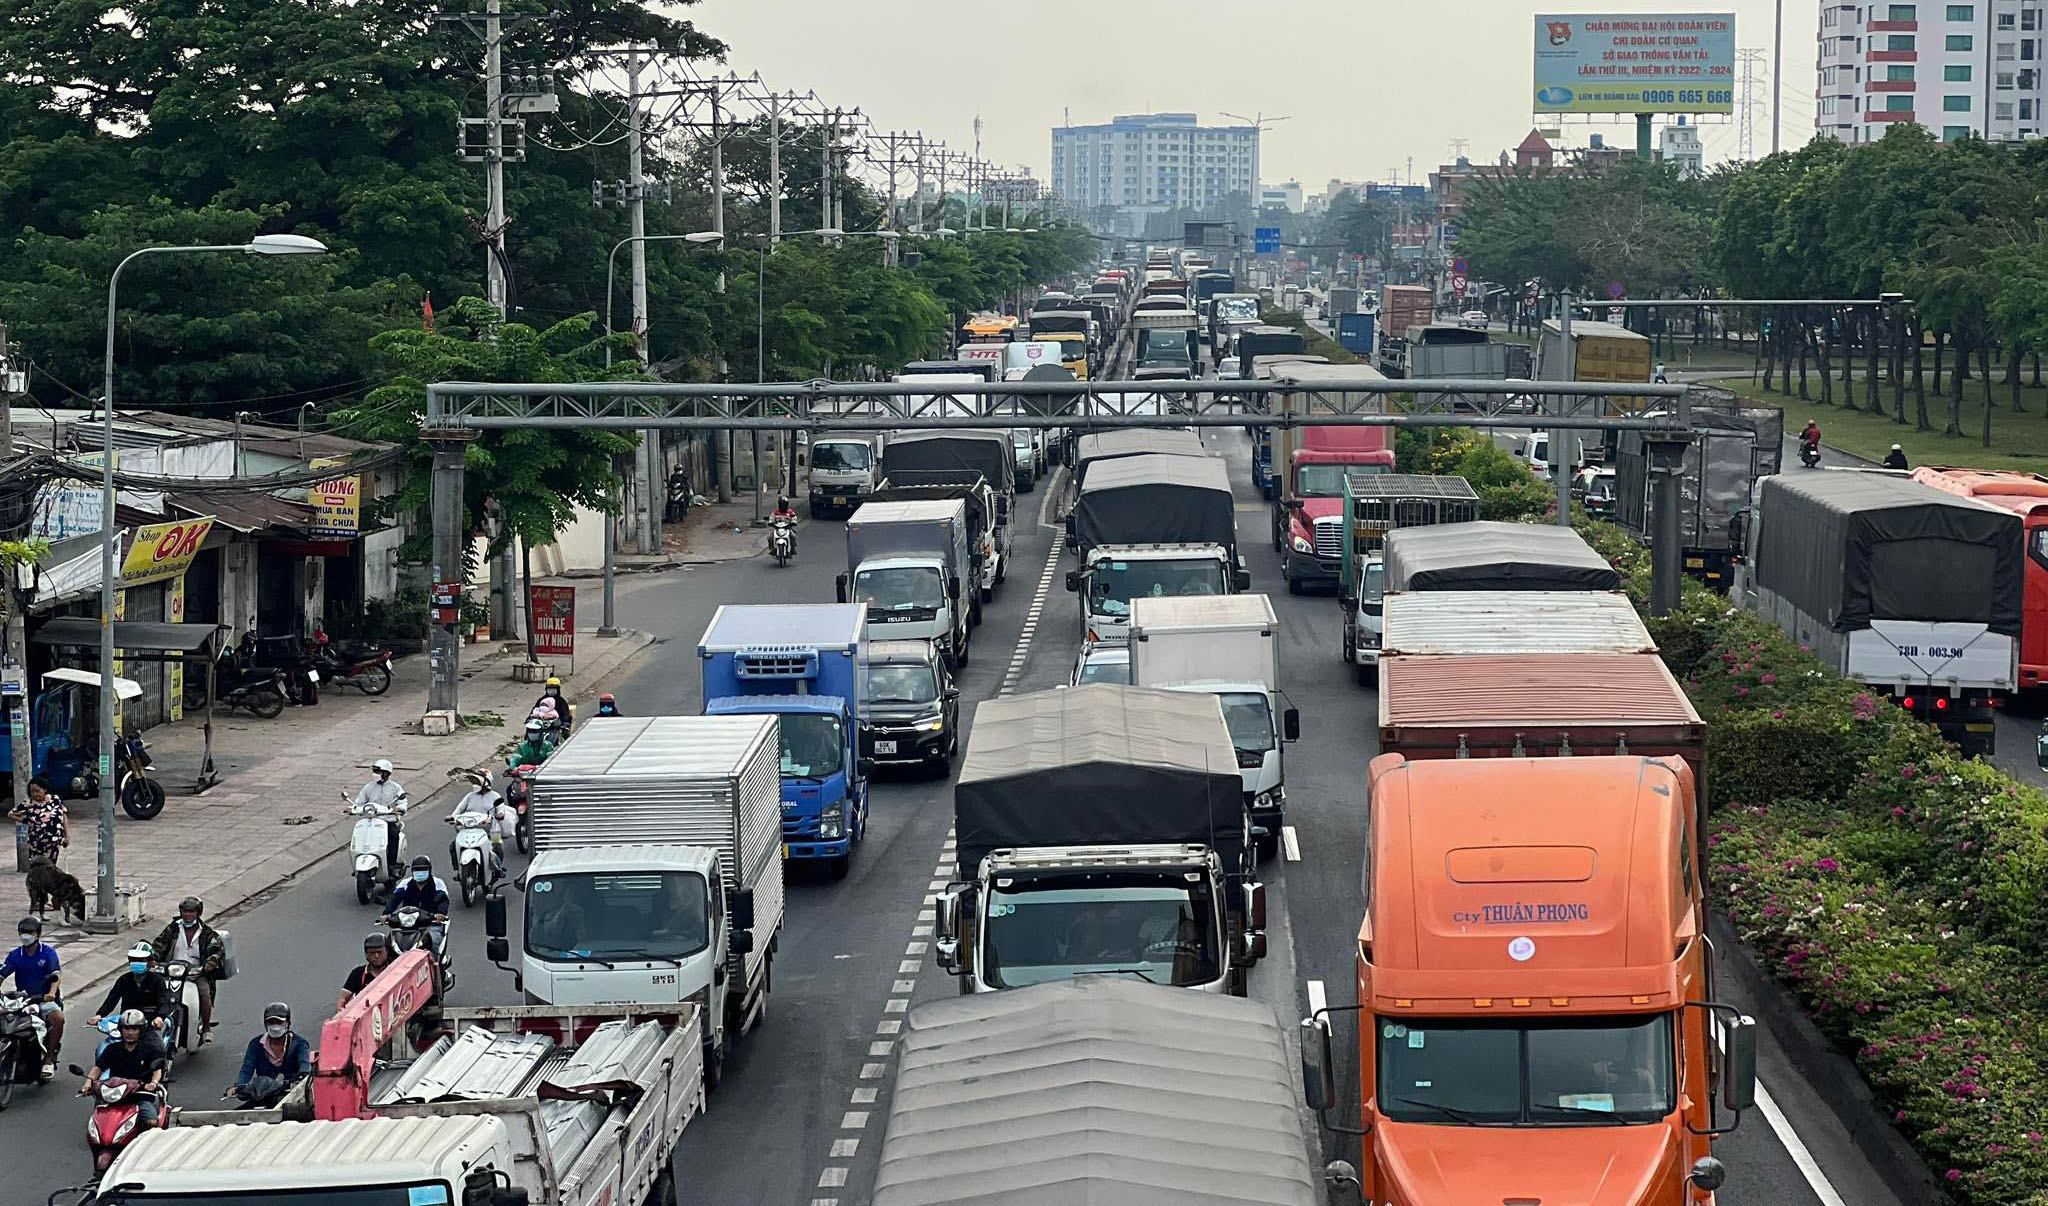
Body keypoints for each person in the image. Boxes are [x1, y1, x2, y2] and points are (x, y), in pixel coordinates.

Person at [150, 897, 225, 1045]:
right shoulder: (172, 929)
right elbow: (158, 946)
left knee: (204, 993)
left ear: (198, 913)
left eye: (191, 911)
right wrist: (153, 959)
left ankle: (206, 1028)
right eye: (185, 911)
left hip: (195, 973)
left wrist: (209, 964)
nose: (187, 914)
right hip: (171, 971)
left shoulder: (207, 933)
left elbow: (216, 951)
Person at [0, 916, 63, 1076]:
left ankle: (48, 1059)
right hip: (24, 1000)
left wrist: (51, 993)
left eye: (30, 932)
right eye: (23, 932)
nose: (26, 935)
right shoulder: (15, 955)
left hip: (43, 999)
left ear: (37, 934)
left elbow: (56, 974)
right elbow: (2, 975)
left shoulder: (48, 953)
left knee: (57, 1018)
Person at [82, 1009, 166, 1128]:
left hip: (140, 1096)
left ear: (140, 1031)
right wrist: (87, 1084)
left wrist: (153, 1083)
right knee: (98, 1118)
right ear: (121, 1030)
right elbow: (98, 1068)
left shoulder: (150, 1049)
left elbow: (157, 1070)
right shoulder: (112, 1049)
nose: (130, 1032)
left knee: (151, 1122)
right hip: (115, 1095)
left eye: (134, 1029)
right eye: (126, 1028)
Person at [228, 1002, 309, 1106]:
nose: (275, 1026)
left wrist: (299, 1081)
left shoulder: (300, 1044)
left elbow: (304, 1066)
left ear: (287, 1023)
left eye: (279, 1022)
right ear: (266, 1024)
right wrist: (238, 1087)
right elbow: (246, 1069)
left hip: (291, 1096)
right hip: (263, 1095)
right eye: (271, 1022)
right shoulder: (255, 1044)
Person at [93, 943, 172, 1034]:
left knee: (156, 1046)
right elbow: (112, 999)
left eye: (141, 960)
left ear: (150, 962)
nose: (137, 962)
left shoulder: (157, 980)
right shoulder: (123, 980)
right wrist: (99, 1015)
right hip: (127, 1023)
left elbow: (164, 1002)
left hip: (151, 1024)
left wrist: (159, 1017)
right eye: (134, 959)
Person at [385, 856, 450, 962]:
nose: (420, 872)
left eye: (423, 870)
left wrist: (440, 913)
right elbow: (394, 898)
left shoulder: (438, 883)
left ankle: (436, 969)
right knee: (389, 943)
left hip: (430, 923)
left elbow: (444, 900)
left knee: (434, 941)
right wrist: (386, 913)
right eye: (417, 870)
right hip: (407, 924)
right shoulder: (405, 883)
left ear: (429, 870)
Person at [353, 758, 408, 877]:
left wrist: (400, 809)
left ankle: (392, 866)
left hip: (388, 821)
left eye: (378, 772)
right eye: (374, 771)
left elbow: (402, 802)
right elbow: (359, 802)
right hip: (371, 820)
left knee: (393, 836)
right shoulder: (368, 787)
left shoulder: (395, 788)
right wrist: (352, 808)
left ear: (386, 773)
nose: (375, 774)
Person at [9, 777, 67, 866]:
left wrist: (66, 836)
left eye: (37, 791)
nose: (35, 794)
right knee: (38, 868)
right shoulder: (28, 804)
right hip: (37, 842)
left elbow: (63, 816)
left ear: (44, 790)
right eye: (32, 792)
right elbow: (11, 814)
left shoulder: (55, 799)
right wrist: (27, 821)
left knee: (51, 866)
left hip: (54, 841)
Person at [339, 932, 395, 1012]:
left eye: (379, 952)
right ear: (366, 955)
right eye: (372, 953)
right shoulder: (357, 973)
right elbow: (343, 999)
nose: (376, 956)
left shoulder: (395, 970)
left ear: (387, 952)